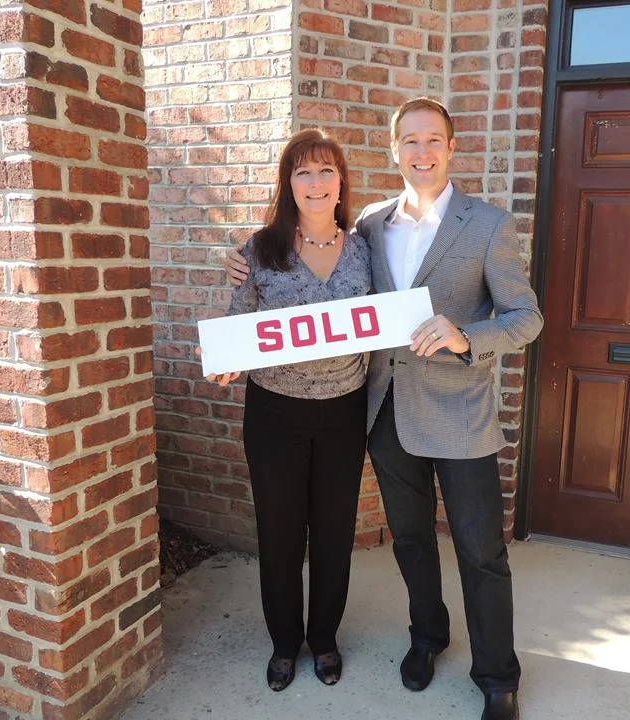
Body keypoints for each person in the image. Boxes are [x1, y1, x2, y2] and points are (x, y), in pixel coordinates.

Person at [227, 98, 542, 720]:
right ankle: (427, 639)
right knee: (412, 541)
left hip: (458, 413)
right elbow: (288, 275)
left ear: (451, 148)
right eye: (410, 141)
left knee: (480, 550)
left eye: (433, 140)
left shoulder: (487, 224)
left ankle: (497, 676)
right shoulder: (371, 225)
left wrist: (465, 336)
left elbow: (525, 318)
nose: (422, 152)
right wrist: (238, 262)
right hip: (384, 412)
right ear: (393, 150)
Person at [206, 129, 372, 692]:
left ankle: (323, 638)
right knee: (279, 534)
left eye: (326, 170)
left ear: (341, 181)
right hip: (274, 414)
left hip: (344, 412)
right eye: (303, 171)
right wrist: (226, 361)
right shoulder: (260, 250)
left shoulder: (364, 251)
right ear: (288, 183)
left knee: (333, 532)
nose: (316, 182)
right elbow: (238, 323)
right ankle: (283, 643)